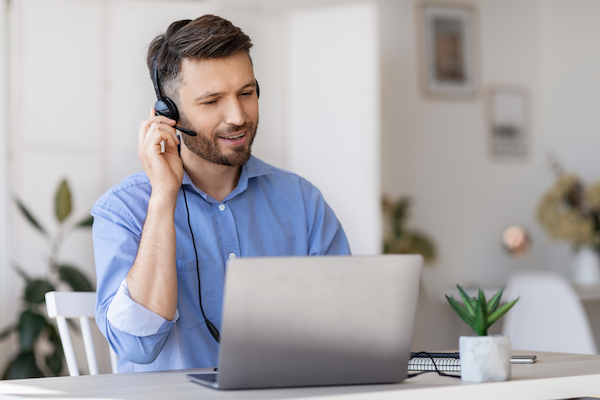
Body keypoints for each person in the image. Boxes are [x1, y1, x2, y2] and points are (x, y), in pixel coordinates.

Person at [92, 14, 351, 373]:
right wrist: (164, 197)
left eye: (246, 93)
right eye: (212, 101)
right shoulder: (122, 210)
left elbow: (348, 327)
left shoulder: (302, 202)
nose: (237, 116)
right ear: (169, 115)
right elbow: (137, 345)